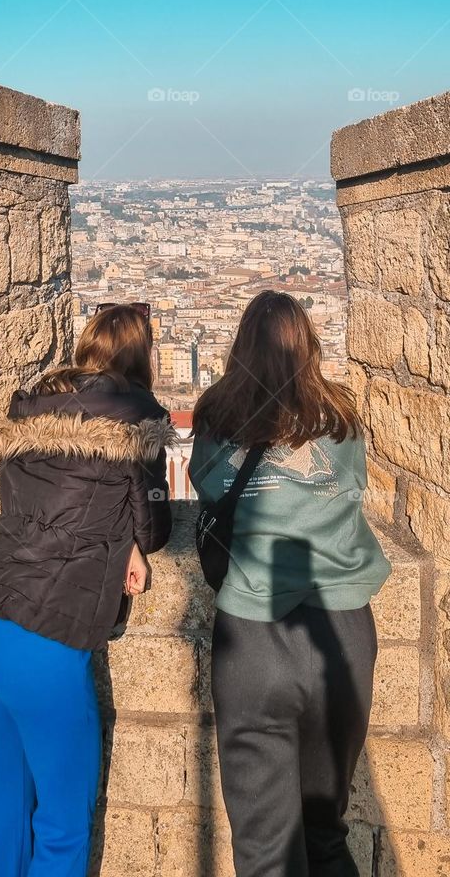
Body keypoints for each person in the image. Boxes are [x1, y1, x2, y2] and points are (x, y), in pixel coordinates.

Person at [0, 303, 173, 877]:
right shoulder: (135, 420)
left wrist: (116, 536)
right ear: (141, 356)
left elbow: (34, 510)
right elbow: (155, 528)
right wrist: (130, 541)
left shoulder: (29, 409)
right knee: (61, 827)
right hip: (43, 643)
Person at [188, 290, 391, 877]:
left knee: (265, 848)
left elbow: (208, 489)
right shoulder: (342, 418)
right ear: (310, 346)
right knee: (325, 832)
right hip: (341, 634)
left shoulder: (216, 417)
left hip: (253, 639)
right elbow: (352, 484)